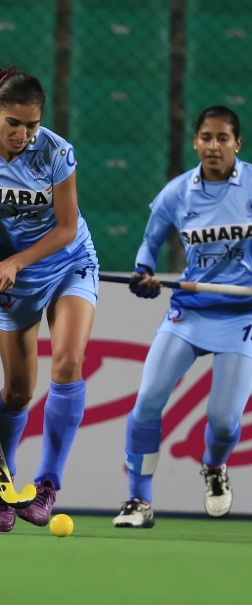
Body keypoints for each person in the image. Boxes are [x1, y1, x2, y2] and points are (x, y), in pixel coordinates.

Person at [0, 65, 99, 532]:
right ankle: (0, 482)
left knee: (68, 363)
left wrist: (17, 262)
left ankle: (47, 485)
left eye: (32, 124)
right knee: (20, 391)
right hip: (10, 280)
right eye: (13, 124)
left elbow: (66, 228)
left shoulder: (56, 152)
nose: (23, 135)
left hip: (68, 262)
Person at [113, 106, 252, 528]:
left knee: (224, 423)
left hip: (242, 318)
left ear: (237, 144)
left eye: (222, 138)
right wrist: (143, 273)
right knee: (148, 401)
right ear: (195, 142)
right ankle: (138, 501)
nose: (214, 146)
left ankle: (214, 466)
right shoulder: (177, 192)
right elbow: (149, 244)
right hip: (189, 312)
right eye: (206, 137)